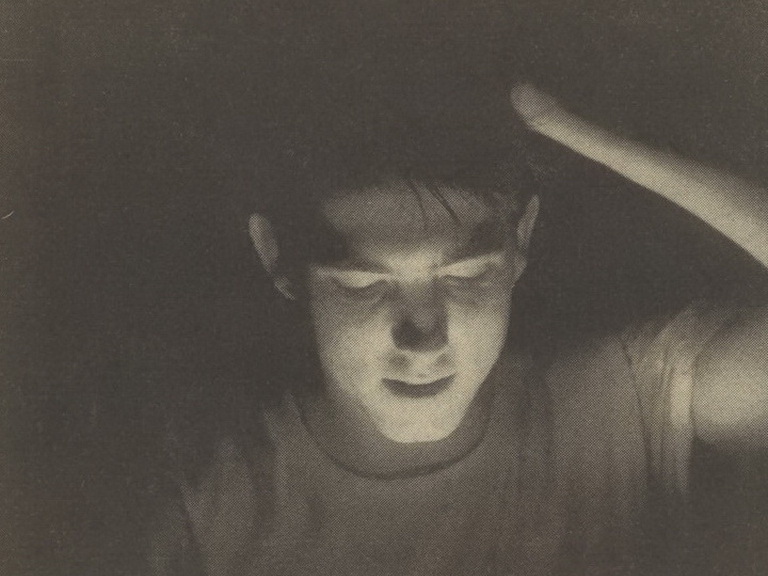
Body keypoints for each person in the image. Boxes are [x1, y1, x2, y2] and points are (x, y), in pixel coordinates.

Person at [144, 83, 768, 575]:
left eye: (465, 276)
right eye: (363, 285)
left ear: (522, 240)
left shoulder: (623, 404)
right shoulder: (209, 499)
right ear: (277, 258)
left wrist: (573, 130)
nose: (424, 337)